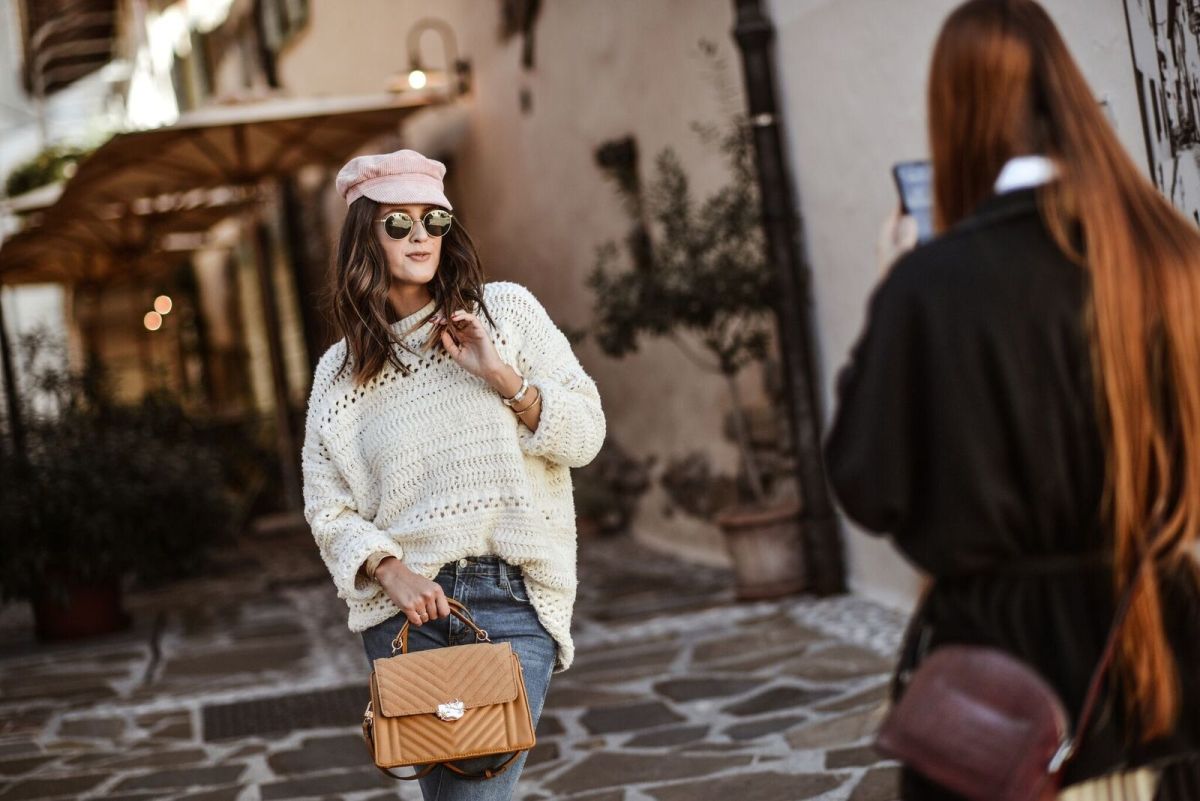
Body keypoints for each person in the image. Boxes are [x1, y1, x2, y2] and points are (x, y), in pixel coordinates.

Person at [824, 1, 1200, 798]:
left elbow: (866, 479)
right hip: (1169, 665)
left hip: (1000, 689)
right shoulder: (1173, 255)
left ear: (955, 113)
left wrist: (891, 292)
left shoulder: (931, 287)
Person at [300, 148, 605, 799]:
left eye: (433, 220)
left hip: (510, 600)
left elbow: (586, 435)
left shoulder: (505, 314)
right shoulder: (340, 374)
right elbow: (327, 508)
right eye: (399, 222)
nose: (420, 236)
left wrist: (502, 377)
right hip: (404, 614)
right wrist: (391, 571)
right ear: (364, 238)